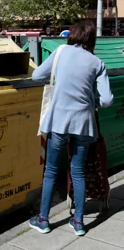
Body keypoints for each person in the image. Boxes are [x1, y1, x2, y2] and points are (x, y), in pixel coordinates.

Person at [29, 20, 113, 236]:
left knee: (51, 171)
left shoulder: (60, 51)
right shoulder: (98, 63)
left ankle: (43, 220)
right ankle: (78, 223)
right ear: (91, 39)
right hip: (85, 125)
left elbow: (36, 76)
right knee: (78, 172)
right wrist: (91, 98)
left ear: (73, 34)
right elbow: (107, 100)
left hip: (59, 122)